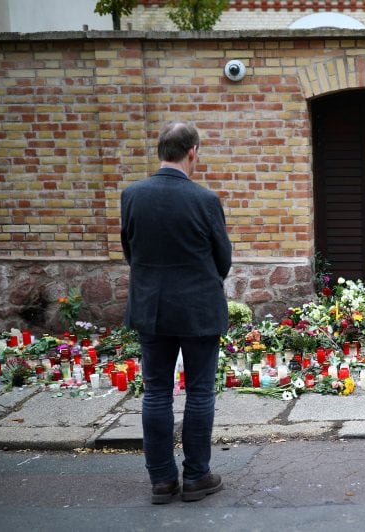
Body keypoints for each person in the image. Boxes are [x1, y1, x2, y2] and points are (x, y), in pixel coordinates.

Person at [120, 121, 232, 504]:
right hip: (199, 307)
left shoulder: (132, 195)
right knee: (199, 392)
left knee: (156, 392)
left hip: (151, 307)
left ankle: (162, 481)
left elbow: (130, 252)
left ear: (159, 152)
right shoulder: (205, 200)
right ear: (192, 152)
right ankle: (197, 477)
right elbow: (223, 259)